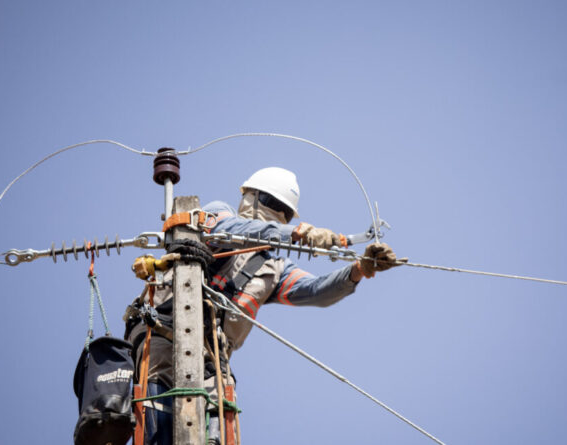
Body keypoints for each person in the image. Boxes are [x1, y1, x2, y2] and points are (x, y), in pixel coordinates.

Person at [127, 167, 400, 445]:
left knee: (217, 420)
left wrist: (359, 269)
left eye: (283, 210)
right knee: (159, 404)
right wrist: (296, 233)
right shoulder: (217, 216)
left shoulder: (274, 269)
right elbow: (228, 229)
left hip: (212, 357)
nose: (276, 213)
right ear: (250, 197)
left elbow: (317, 291)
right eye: (271, 203)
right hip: (163, 329)